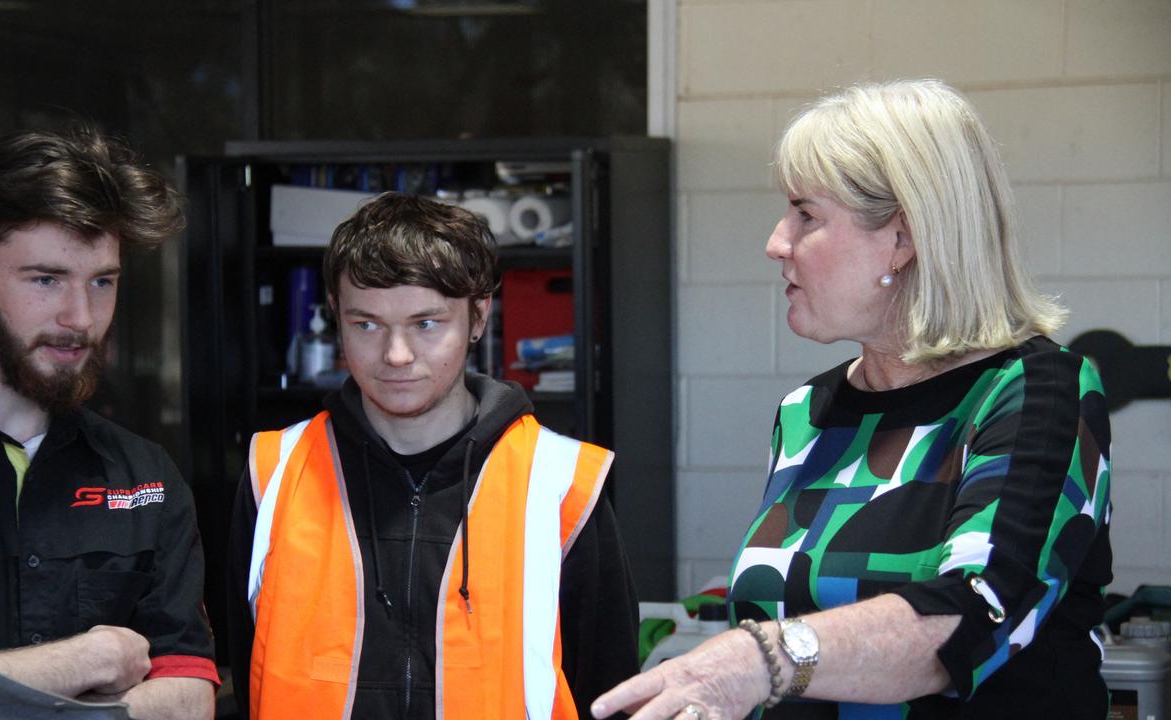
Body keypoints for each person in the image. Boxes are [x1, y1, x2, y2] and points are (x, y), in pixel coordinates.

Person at [592, 79, 1113, 720]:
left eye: (806, 215)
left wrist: (758, 660)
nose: (776, 242)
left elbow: (976, 612)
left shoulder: (1036, 393)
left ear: (903, 237)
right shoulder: (805, 412)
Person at [227, 192, 639, 719]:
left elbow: (613, 698)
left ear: (478, 318)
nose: (396, 356)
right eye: (367, 325)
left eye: (426, 324)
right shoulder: (275, 473)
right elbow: (245, 676)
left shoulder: (561, 485)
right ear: (336, 316)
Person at [0, 128, 218, 720]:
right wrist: (90, 661)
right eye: (46, 280)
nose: (81, 317)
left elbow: (190, 697)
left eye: (102, 282)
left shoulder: (145, 475)